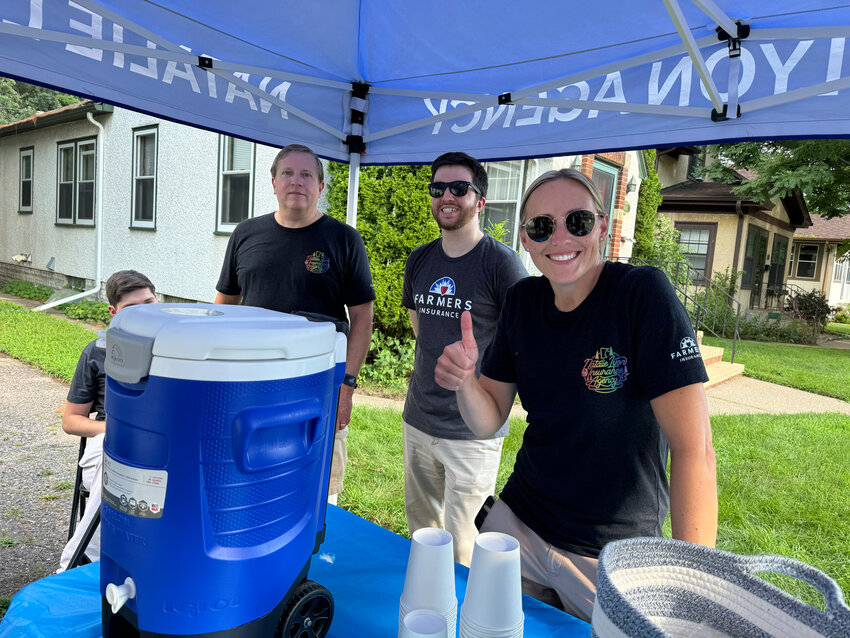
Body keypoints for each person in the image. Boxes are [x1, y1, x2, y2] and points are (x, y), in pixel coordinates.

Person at [434, 168, 717, 621]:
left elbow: (694, 450)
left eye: (578, 221)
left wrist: (693, 587)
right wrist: (465, 382)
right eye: (542, 226)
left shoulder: (642, 295)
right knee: (483, 628)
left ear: (602, 227)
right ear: (526, 239)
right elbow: (488, 419)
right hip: (520, 523)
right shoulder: (523, 300)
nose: (560, 237)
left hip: (610, 551)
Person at [215, 143, 375, 505]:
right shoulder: (245, 234)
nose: (296, 182)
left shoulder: (344, 239)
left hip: (317, 384)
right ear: (273, 183)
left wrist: (346, 385)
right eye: (287, 173)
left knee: (319, 484)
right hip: (253, 381)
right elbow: (225, 305)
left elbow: (363, 316)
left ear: (320, 186)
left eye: (307, 174)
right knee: (253, 473)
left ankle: (317, 543)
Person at [402, 151, 527, 565]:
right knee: (422, 537)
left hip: (473, 433)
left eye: (459, 188)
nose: (447, 196)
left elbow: (522, 340)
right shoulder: (419, 259)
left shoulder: (501, 264)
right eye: (439, 188)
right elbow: (419, 324)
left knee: (464, 549)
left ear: (481, 201)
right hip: (418, 420)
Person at [59, 270, 158, 571]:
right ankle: (77, 561)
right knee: (116, 451)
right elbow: (71, 421)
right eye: (131, 308)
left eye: (149, 302)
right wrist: (113, 429)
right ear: (113, 313)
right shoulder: (97, 353)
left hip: (159, 449)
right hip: (108, 444)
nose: (144, 313)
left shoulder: (179, 353)